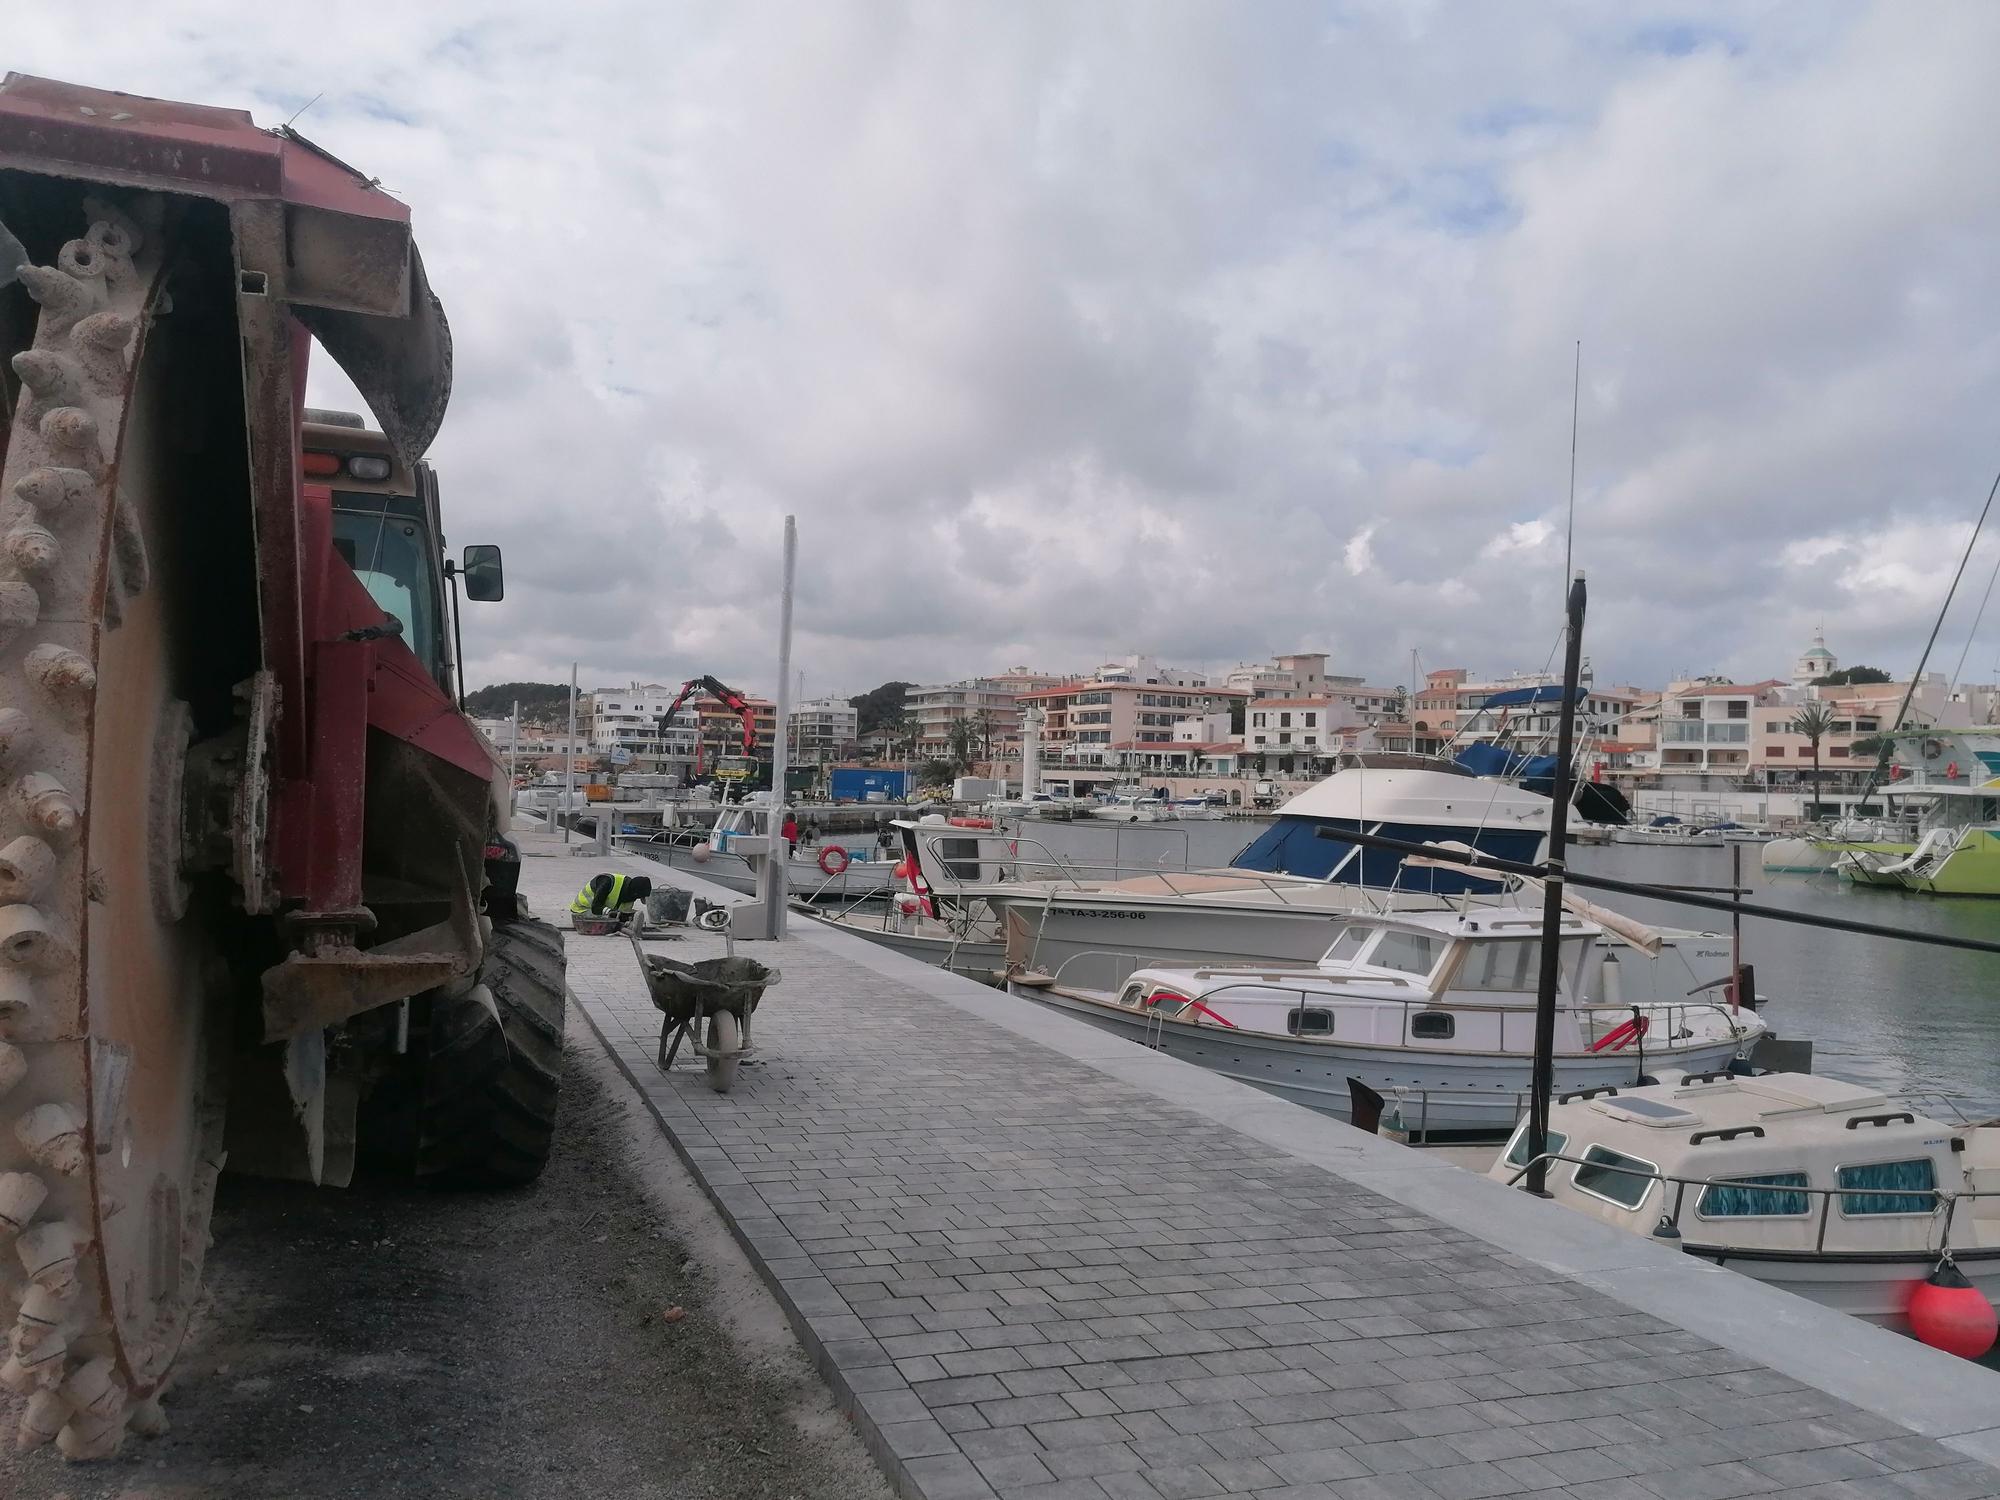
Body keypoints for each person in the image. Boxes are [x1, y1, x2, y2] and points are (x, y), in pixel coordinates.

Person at [568, 872, 652, 922]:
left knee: (617, 921)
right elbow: (596, 908)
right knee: (606, 922)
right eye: (638, 897)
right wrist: (614, 914)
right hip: (582, 910)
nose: (635, 900)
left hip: (599, 913)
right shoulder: (607, 882)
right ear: (634, 893)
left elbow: (622, 913)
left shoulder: (630, 893)